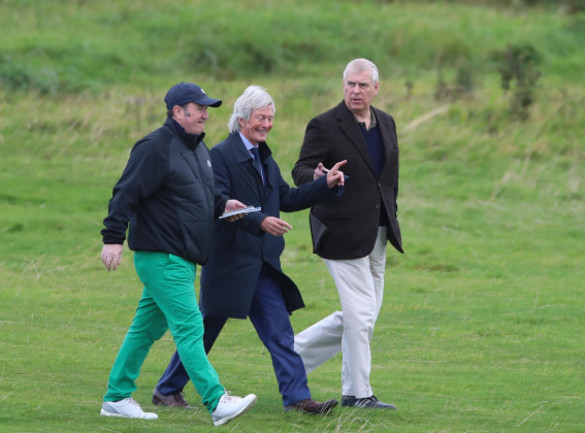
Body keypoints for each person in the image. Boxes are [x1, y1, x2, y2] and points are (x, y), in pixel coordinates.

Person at [152, 85, 346, 415]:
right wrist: (260, 221)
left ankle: (298, 398)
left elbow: (285, 198)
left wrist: (323, 186)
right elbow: (218, 205)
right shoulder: (221, 156)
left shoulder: (264, 156)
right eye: (261, 118)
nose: (267, 124)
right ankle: (168, 389)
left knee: (280, 332)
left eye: (270, 118)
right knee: (204, 330)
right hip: (229, 263)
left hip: (262, 264)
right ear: (242, 119)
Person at [99, 82, 257, 427]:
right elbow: (126, 193)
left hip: (183, 258)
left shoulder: (198, 150)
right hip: (162, 256)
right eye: (198, 108)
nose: (205, 114)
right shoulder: (156, 147)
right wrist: (113, 238)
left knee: (144, 330)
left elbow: (196, 197)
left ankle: (115, 397)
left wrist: (223, 205)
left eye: (206, 108)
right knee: (190, 325)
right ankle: (217, 401)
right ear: (177, 112)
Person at [291, 58, 403, 409]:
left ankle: (291, 356)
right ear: (343, 85)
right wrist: (320, 177)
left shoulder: (386, 123)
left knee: (363, 316)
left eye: (362, 85)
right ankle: (358, 394)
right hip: (339, 232)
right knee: (359, 316)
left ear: (375, 88)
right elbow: (300, 169)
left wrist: (390, 214)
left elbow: (388, 178)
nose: (355, 91)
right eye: (350, 84)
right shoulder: (325, 125)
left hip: (378, 232)